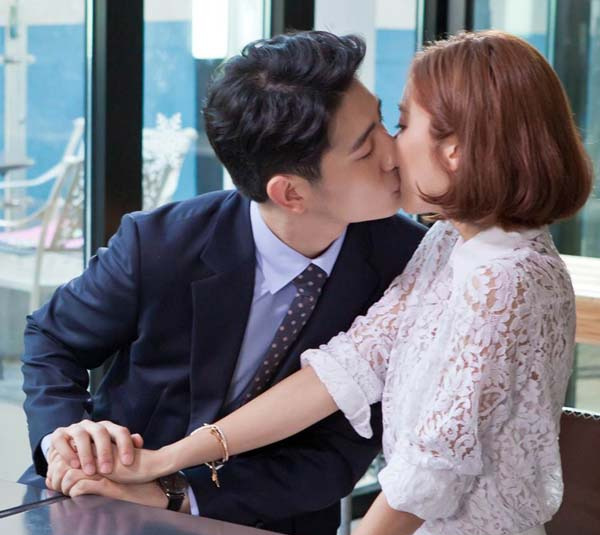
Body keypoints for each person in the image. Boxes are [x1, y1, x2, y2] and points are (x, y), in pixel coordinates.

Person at [59, 31, 593, 535]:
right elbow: (342, 370)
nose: (391, 149)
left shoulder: (505, 279)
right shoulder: (449, 243)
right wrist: (162, 461)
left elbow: (428, 473)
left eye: (400, 123)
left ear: (454, 150)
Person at [21, 31, 425, 535]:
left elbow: (340, 452)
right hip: (104, 503)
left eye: (384, 123)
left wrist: (177, 494)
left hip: (269, 519)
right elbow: (52, 337)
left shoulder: (407, 265)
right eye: (365, 149)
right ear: (290, 193)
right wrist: (67, 437)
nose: (394, 153)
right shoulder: (161, 244)